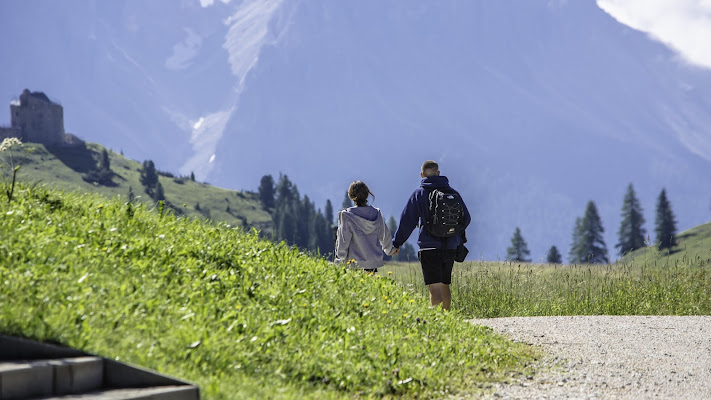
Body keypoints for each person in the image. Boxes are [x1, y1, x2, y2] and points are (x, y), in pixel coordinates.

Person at [392, 160, 470, 310]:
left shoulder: (419, 194)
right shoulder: (453, 193)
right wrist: (455, 235)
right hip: (450, 246)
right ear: (439, 173)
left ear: (422, 175)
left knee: (434, 287)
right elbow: (466, 218)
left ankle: (437, 324)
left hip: (429, 246)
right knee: (445, 284)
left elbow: (407, 221)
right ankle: (448, 321)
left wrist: (397, 243)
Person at [335, 181, 398, 272]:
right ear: (367, 195)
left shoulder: (347, 216)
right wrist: (390, 250)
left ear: (351, 196)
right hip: (372, 263)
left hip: (354, 264)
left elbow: (343, 241)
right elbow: (384, 235)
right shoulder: (376, 213)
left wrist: (339, 262)